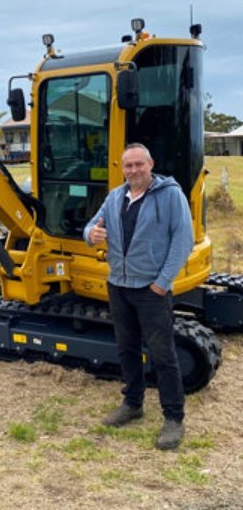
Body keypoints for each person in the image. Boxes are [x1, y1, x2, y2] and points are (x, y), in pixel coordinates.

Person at [84, 142, 194, 450]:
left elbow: (183, 240)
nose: (133, 170)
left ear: (150, 164)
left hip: (150, 290)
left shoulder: (171, 195)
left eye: (139, 165)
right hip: (118, 286)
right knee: (126, 348)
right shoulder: (115, 197)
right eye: (128, 166)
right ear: (122, 169)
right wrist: (90, 235)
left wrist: (162, 283)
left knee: (162, 354)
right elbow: (92, 225)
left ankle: (173, 418)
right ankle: (133, 404)